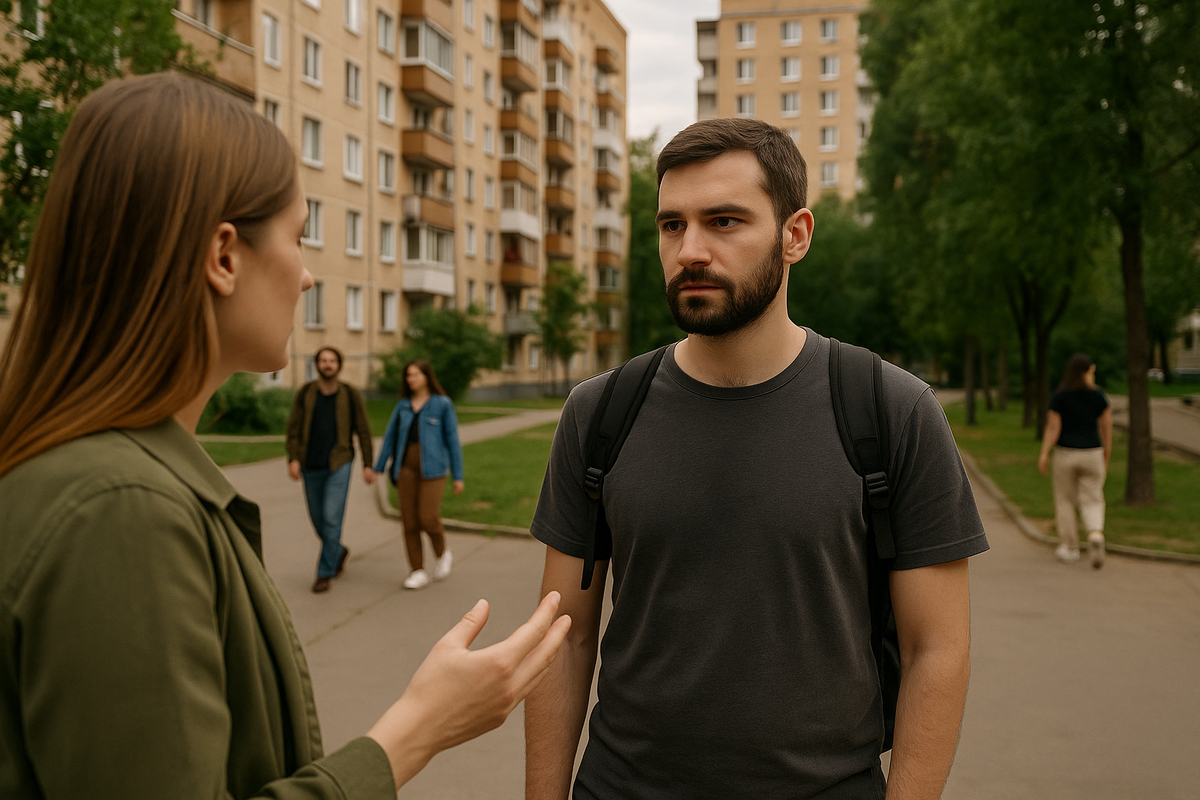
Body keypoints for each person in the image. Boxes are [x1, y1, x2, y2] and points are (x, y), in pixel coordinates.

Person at [0, 73, 570, 798]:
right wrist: (418, 729)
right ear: (224, 257)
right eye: (299, 236)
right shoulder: (117, 510)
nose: (306, 276)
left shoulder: (107, 481)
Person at [524, 118, 990, 800]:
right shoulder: (600, 414)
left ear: (795, 235)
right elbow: (562, 640)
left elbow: (936, 651)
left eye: (724, 221)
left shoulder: (890, 412)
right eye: (671, 226)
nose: (691, 250)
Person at [286, 345, 376, 593]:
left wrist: (368, 464)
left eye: (332, 360)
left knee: (331, 518)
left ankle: (324, 573)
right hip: (310, 464)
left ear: (339, 365)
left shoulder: (350, 394)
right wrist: (292, 458)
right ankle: (337, 550)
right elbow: (293, 428)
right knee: (318, 521)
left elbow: (364, 431)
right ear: (317, 364)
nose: (327, 364)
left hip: (340, 462)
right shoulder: (305, 393)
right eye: (323, 360)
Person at [374, 360, 465, 590]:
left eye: (415, 375)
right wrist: (379, 466)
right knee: (409, 522)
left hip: (433, 471)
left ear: (426, 376)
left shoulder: (442, 404)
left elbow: (453, 441)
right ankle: (417, 570)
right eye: (408, 376)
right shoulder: (403, 406)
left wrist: (458, 476)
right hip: (406, 469)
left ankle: (442, 552)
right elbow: (390, 438)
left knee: (427, 517)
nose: (410, 379)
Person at [1038, 353, 1113, 568]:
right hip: (1093, 453)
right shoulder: (1099, 397)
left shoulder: (1060, 396)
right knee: (1093, 498)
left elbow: (1053, 428)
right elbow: (1106, 426)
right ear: (1085, 372)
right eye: (1092, 371)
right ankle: (1095, 534)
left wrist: (1044, 454)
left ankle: (1070, 547)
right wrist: (1106, 451)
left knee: (1065, 500)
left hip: (1066, 454)